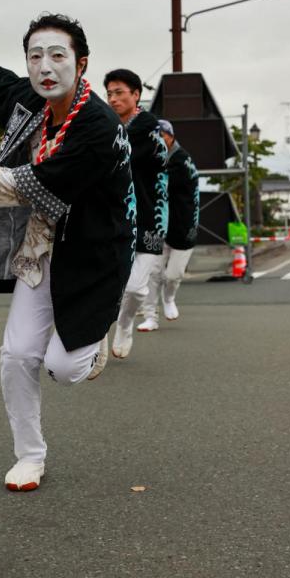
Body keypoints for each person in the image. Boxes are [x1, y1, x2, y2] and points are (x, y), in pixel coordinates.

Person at [0, 11, 135, 492]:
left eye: (58, 56)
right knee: (16, 354)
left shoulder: (97, 126)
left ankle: (93, 339)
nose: (45, 67)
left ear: (81, 64)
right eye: (35, 56)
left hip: (96, 252)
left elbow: (37, 185)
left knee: (64, 366)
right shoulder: (31, 101)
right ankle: (29, 456)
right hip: (41, 247)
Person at [99, 68, 168, 362]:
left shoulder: (152, 133)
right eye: (109, 93)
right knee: (107, 284)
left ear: (136, 95)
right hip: (111, 218)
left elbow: (156, 164)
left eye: (119, 93)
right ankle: (98, 332)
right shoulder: (103, 128)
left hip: (149, 218)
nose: (113, 99)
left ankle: (125, 324)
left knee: (137, 289)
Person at [138, 119, 200, 330]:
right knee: (153, 273)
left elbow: (159, 181)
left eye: (162, 135)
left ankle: (169, 297)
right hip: (158, 225)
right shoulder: (153, 157)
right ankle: (150, 317)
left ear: (171, 136)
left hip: (183, 227)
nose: (158, 140)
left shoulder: (182, 160)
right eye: (155, 136)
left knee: (173, 274)